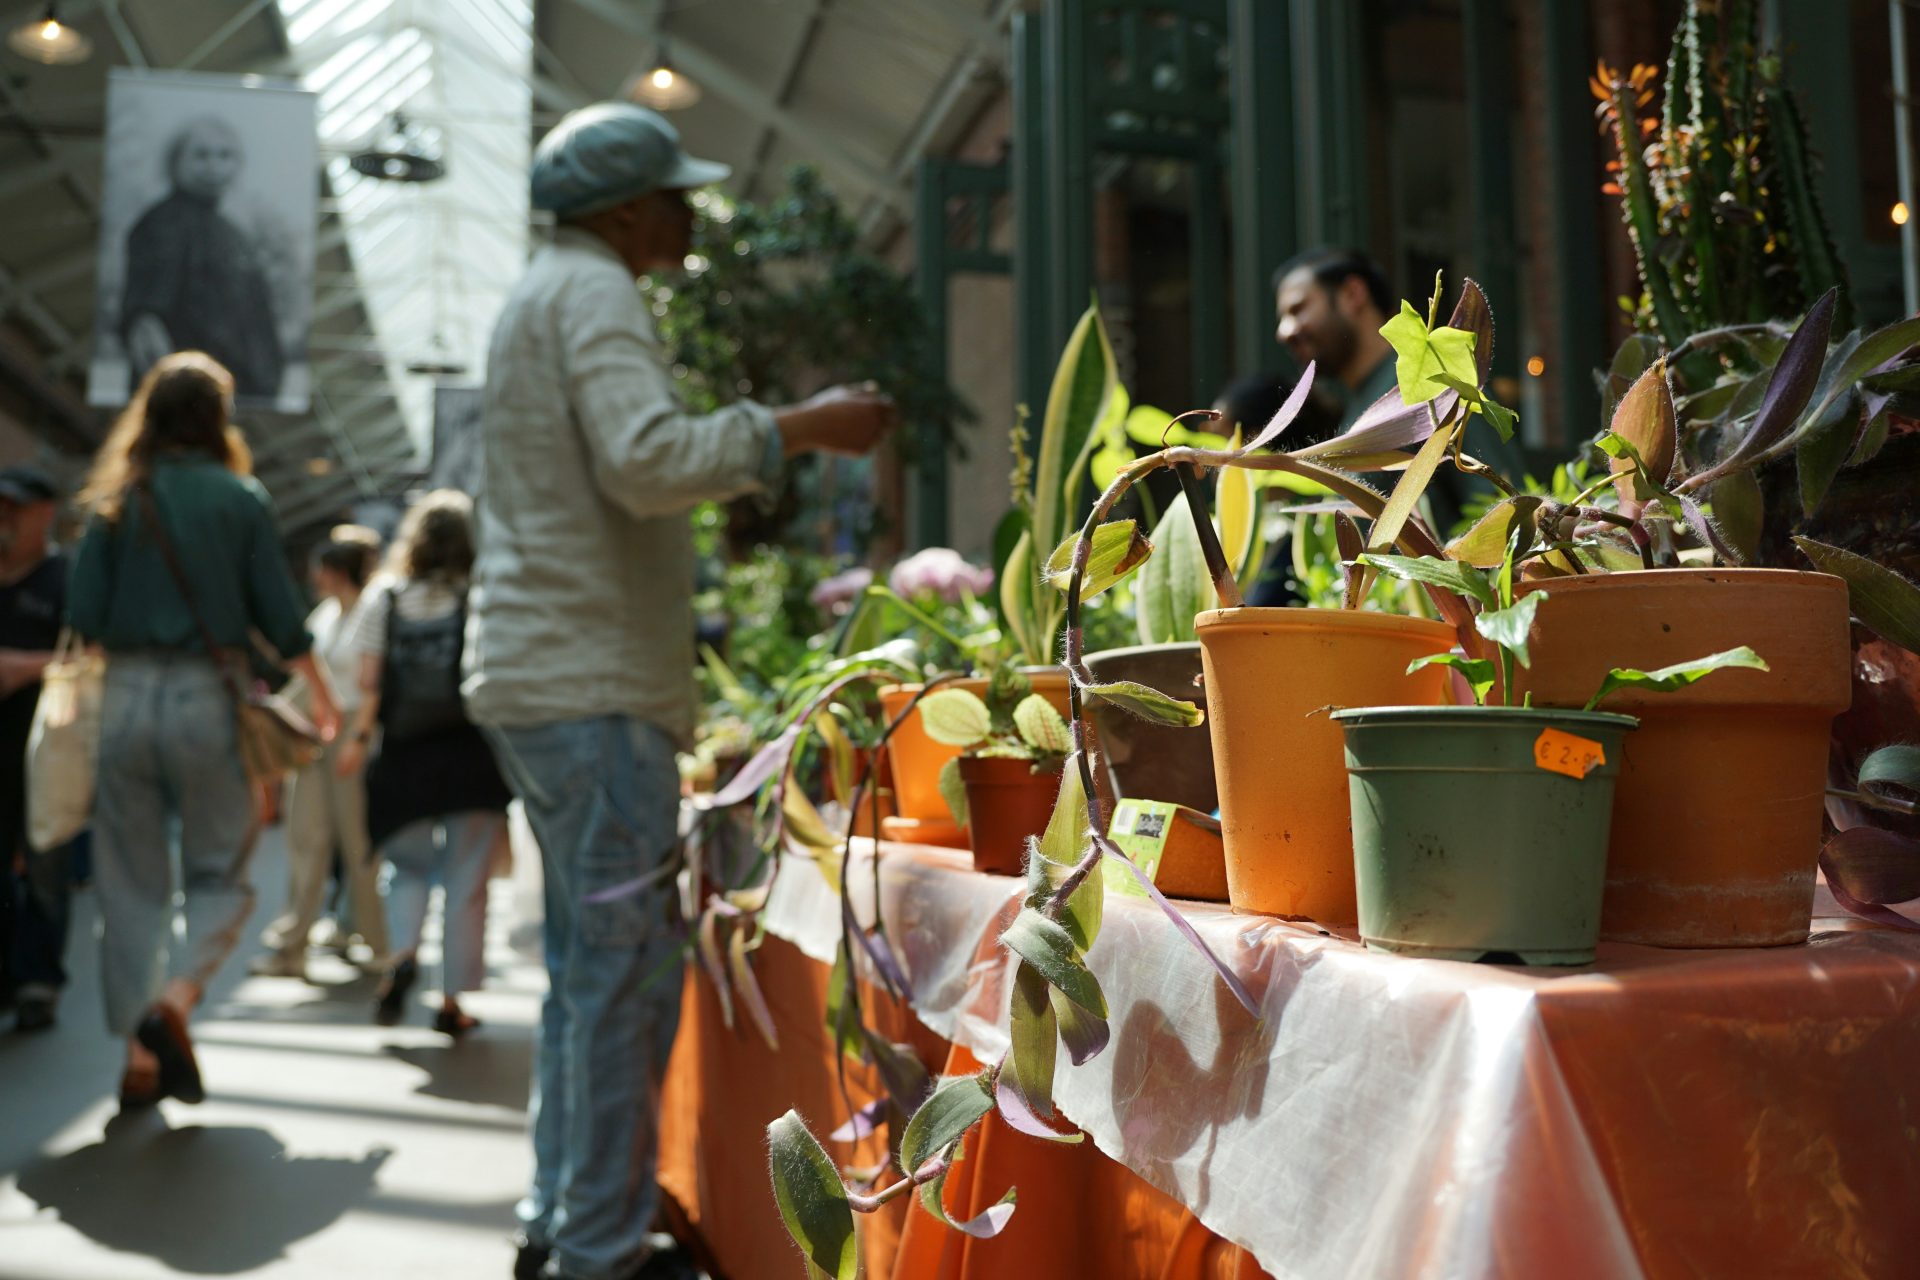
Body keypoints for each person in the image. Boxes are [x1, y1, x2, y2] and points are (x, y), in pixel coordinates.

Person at [468, 103, 896, 1280]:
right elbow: (647, 460)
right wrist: (802, 426)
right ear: (621, 209)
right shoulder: (594, 293)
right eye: (673, 193)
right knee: (618, 979)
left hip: (537, 674)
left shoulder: (535, 293)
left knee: (582, 973)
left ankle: (562, 1216)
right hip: (592, 681)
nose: (690, 210)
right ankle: (598, 1252)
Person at [67, 351, 338, 1110]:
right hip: (204, 697)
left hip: (123, 699)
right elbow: (281, 620)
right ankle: (175, 1004)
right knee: (222, 875)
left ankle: (137, 1061)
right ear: (217, 418)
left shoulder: (120, 499)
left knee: (129, 885)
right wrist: (321, 700)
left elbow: (83, 617)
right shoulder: (239, 498)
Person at [337, 491, 509, 1037]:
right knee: (467, 878)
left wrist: (358, 741)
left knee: (406, 868)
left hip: (403, 756)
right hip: (471, 757)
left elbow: (367, 683)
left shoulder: (385, 596)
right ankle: (452, 1000)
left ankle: (402, 958)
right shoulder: (480, 595)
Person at [1274, 247, 1526, 533]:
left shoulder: (1436, 379)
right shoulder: (1357, 409)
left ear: (1353, 294)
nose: (1284, 332)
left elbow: (1502, 509)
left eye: (1298, 308)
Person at [252, 526, 389, 982]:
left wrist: (360, 738)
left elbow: (373, 685)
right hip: (316, 730)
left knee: (358, 841)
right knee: (305, 836)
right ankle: (292, 945)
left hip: (351, 729)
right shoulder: (325, 615)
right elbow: (308, 676)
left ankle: (379, 942)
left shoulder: (372, 608)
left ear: (334, 570)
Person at [121, 116, 284, 400]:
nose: (214, 167)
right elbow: (147, 319)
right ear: (177, 161)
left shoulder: (231, 233)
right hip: (187, 393)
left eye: (224, 156)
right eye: (201, 155)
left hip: (232, 389)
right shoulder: (163, 223)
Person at [0, 466, 70, 1031]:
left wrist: (22, 668)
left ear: (45, 513)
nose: (5, 517)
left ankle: (37, 980)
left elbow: (90, 659)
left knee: (45, 860)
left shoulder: (63, 582)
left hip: (47, 748)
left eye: (14, 507)